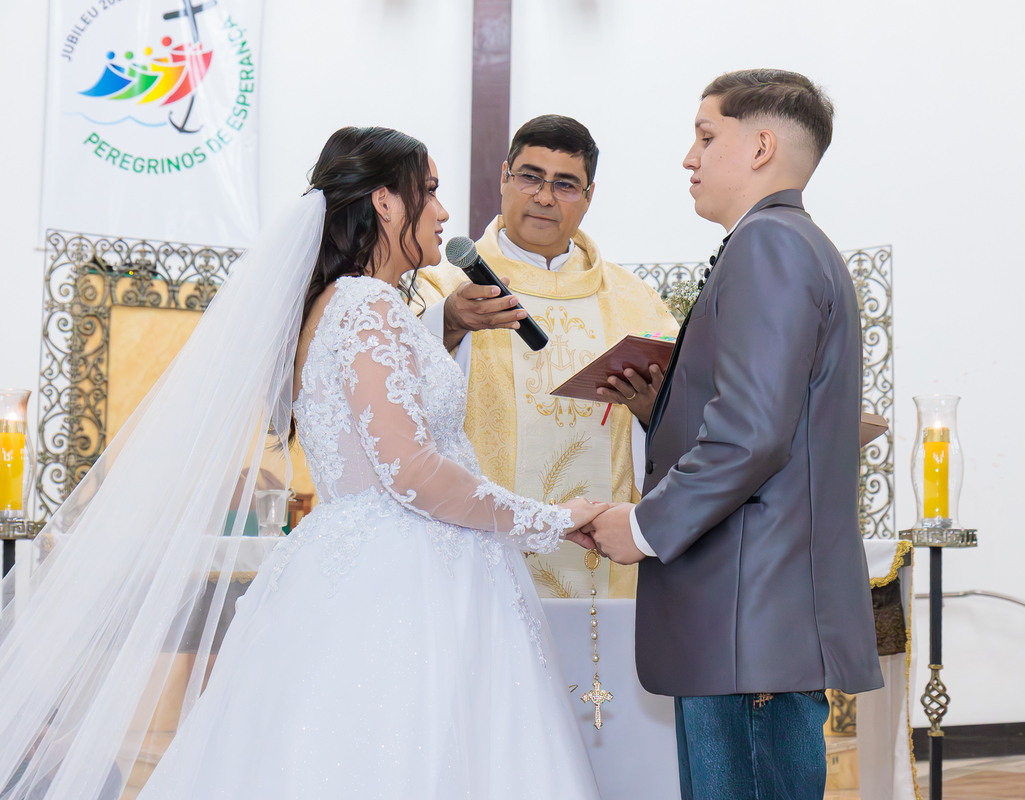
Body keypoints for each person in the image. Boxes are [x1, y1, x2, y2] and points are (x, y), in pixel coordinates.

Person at [0, 127, 606, 799]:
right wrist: (549, 519)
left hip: (369, 562)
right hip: (404, 579)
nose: (442, 212)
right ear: (384, 202)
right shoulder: (366, 305)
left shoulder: (342, 305)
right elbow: (410, 473)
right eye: (429, 191)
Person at [589, 70, 885, 799]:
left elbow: (751, 436)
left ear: (759, 147)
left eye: (705, 136)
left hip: (746, 622)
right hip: (749, 623)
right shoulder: (788, 243)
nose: (688, 158)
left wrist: (644, 527)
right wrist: (663, 413)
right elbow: (771, 420)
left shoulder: (769, 244)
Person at [414, 115, 678, 600]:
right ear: (504, 177)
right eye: (530, 177)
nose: (544, 197)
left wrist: (650, 412)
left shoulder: (635, 303)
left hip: (604, 565)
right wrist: (448, 323)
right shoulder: (441, 286)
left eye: (566, 184)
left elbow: (690, 423)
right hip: (479, 559)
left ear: (589, 196)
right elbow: (386, 399)